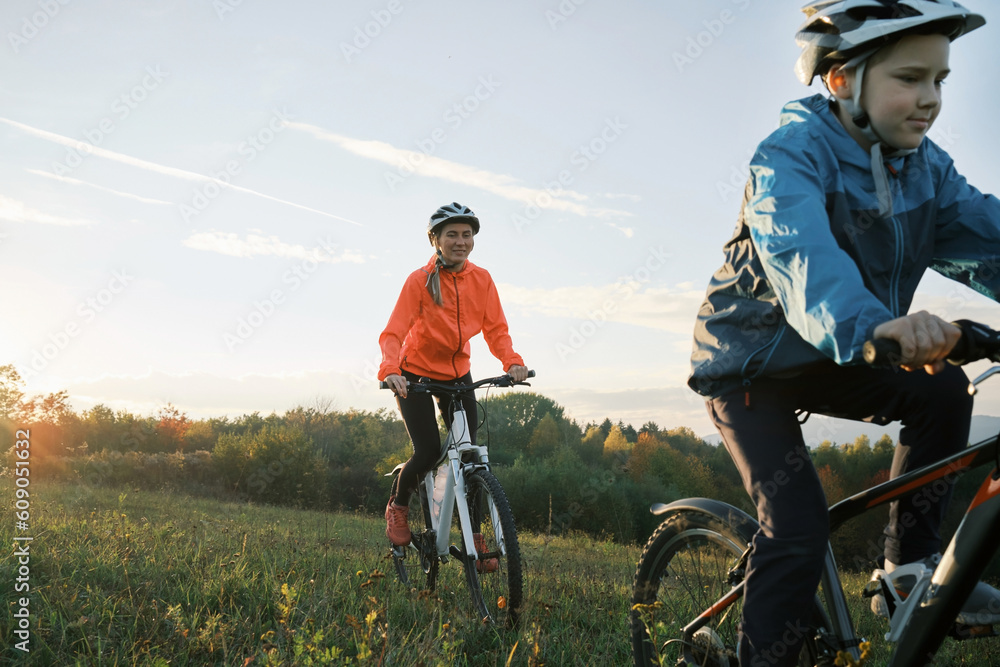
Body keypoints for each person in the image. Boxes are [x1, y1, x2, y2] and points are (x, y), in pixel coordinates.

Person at [688, 1, 1000, 663]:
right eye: (909, 78)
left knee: (943, 390)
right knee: (797, 525)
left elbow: (991, 236)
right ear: (841, 80)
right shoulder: (788, 156)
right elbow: (803, 257)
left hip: (852, 350)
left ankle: (906, 573)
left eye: (940, 80)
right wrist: (873, 324)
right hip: (752, 366)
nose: (931, 99)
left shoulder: (926, 168)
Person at [378, 202, 528, 554]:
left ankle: (473, 538)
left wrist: (512, 362)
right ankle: (398, 505)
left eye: (467, 234)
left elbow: (496, 330)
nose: (461, 241)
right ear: (435, 240)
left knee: (469, 456)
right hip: (414, 374)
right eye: (452, 235)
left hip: (458, 375)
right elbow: (393, 332)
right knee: (429, 449)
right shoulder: (419, 280)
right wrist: (391, 370)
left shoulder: (482, 279)